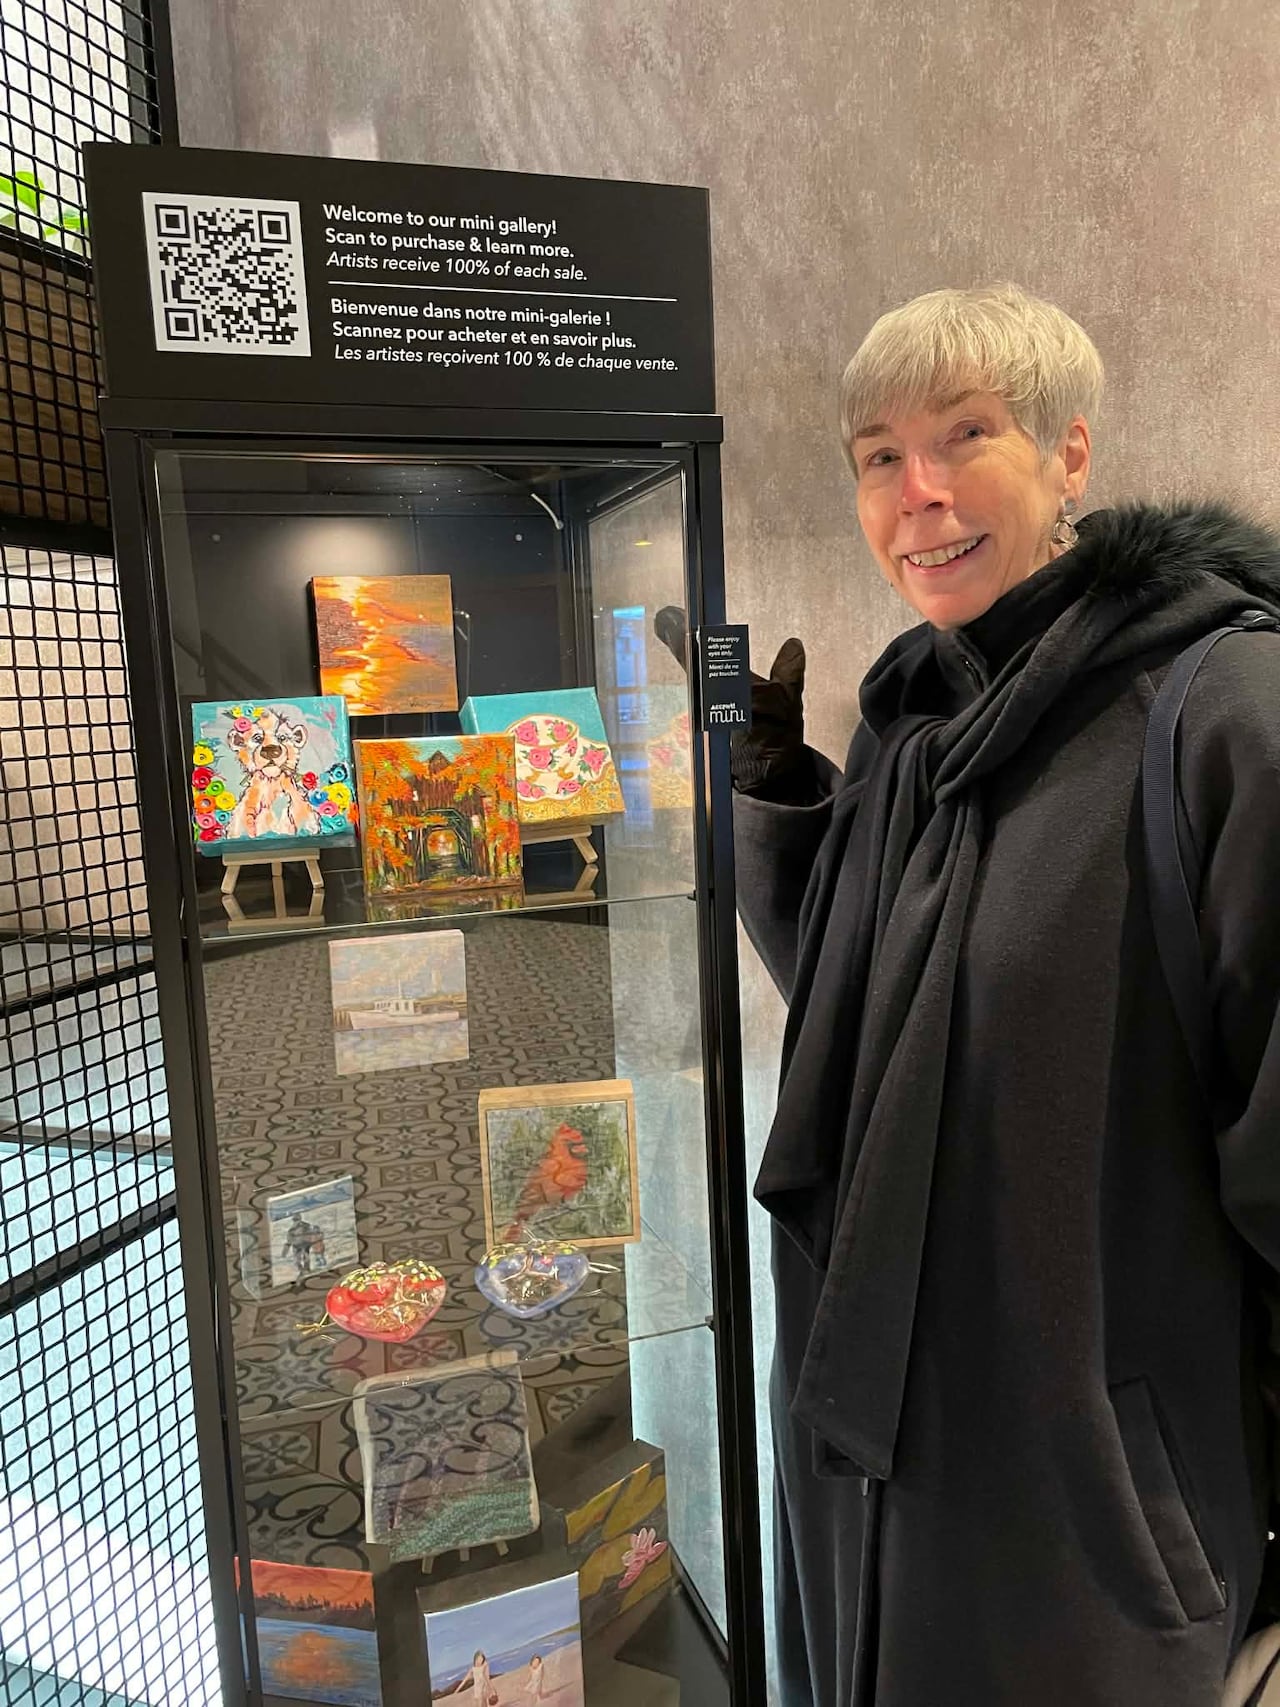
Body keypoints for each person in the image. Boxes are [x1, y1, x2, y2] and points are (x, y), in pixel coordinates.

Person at [710, 283, 1280, 1706]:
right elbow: (883, 1024)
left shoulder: (1222, 713)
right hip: (872, 1470)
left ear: (1071, 454)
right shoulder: (915, 716)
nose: (924, 493)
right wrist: (782, 798)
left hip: (1091, 1506)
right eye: (879, 456)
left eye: (969, 434)